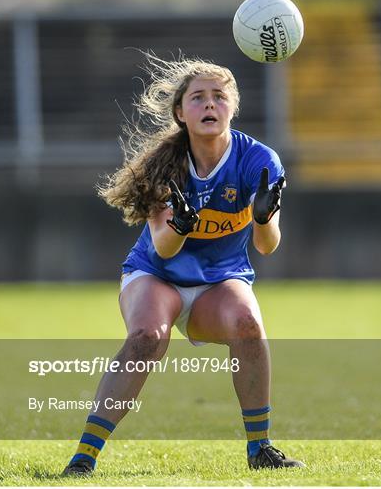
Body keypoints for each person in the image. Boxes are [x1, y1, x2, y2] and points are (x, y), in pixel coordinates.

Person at [63, 53, 305, 475]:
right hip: (157, 275)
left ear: (233, 106)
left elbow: (267, 247)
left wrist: (263, 217)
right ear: (180, 112)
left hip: (220, 280)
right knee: (146, 337)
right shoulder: (166, 165)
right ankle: (84, 458)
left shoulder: (259, 161)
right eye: (198, 98)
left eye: (219, 96)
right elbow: (164, 248)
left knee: (249, 325)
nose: (209, 104)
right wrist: (180, 224)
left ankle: (260, 450)